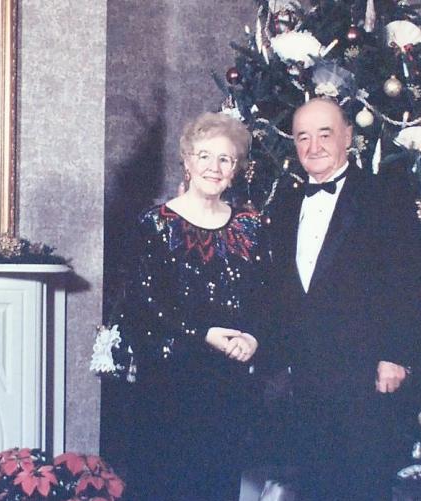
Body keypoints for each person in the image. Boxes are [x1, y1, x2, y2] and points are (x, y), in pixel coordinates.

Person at [93, 112, 268, 501]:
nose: (213, 167)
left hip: (228, 385)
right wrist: (203, 334)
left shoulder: (252, 225)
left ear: (236, 170)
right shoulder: (155, 225)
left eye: (225, 159)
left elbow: (265, 297)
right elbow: (143, 304)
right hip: (169, 385)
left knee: (217, 486)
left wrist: (254, 338)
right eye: (204, 156)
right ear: (187, 162)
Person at [261, 98, 421, 500]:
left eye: (325, 134)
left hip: (363, 373)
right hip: (303, 376)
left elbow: (407, 277)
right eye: (303, 137)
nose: (313, 147)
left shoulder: (384, 194)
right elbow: (278, 290)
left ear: (348, 137)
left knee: (361, 484)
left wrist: (395, 354)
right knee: (314, 484)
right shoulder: (283, 205)